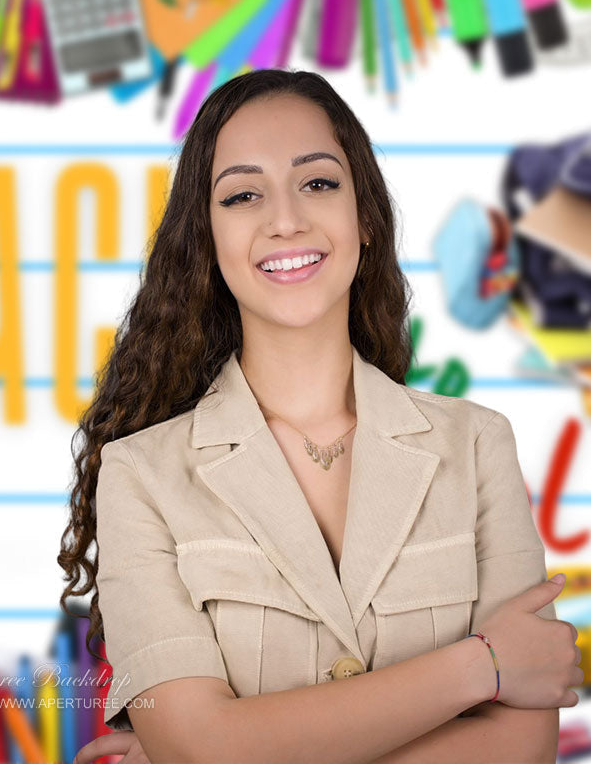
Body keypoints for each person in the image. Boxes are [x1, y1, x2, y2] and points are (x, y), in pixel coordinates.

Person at [59, 68, 581, 764]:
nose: (285, 219)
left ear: (363, 215)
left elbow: (522, 748)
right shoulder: (139, 477)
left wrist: (230, 748)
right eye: (243, 195)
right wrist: (481, 667)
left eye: (318, 182)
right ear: (206, 240)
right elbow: (201, 749)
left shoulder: (478, 445)